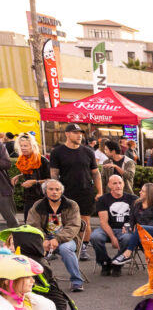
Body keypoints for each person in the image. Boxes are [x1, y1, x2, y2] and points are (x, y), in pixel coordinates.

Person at [47, 124, 102, 260]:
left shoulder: (88, 151)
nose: (79, 135)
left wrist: (100, 191)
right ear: (67, 134)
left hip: (85, 192)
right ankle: (55, 247)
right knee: (59, 221)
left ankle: (83, 247)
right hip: (66, 193)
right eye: (75, 133)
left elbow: (96, 173)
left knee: (85, 222)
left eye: (80, 133)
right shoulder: (57, 152)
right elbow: (54, 174)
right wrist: (55, 192)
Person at [26, 180, 84, 292]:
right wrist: (43, 239)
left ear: (61, 191)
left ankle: (77, 281)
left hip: (67, 239)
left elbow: (74, 226)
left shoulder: (72, 205)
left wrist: (58, 239)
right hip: (45, 239)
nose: (54, 192)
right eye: (51, 189)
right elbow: (32, 225)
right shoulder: (38, 206)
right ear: (45, 191)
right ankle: (38, 281)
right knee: (31, 249)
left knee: (66, 249)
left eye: (57, 189)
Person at [109, 183, 153, 270]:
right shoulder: (137, 203)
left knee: (140, 230)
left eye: (142, 191)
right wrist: (128, 226)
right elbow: (131, 220)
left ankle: (127, 254)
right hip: (139, 234)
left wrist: (141, 230)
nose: (140, 192)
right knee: (138, 236)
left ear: (149, 194)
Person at [91, 175, 138, 276]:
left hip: (125, 229)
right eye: (115, 183)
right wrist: (113, 238)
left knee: (128, 238)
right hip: (108, 228)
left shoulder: (133, 199)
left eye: (120, 183)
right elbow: (103, 222)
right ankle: (105, 263)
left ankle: (117, 263)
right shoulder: (103, 200)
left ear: (124, 184)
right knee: (95, 237)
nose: (118, 186)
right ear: (109, 185)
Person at [11, 133, 50, 223]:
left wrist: (35, 182)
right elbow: (29, 172)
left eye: (25, 146)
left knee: (41, 224)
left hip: (41, 198)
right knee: (27, 224)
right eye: (21, 146)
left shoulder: (42, 160)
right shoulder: (23, 160)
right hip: (28, 197)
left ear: (32, 146)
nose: (23, 148)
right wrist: (19, 176)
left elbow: (51, 180)